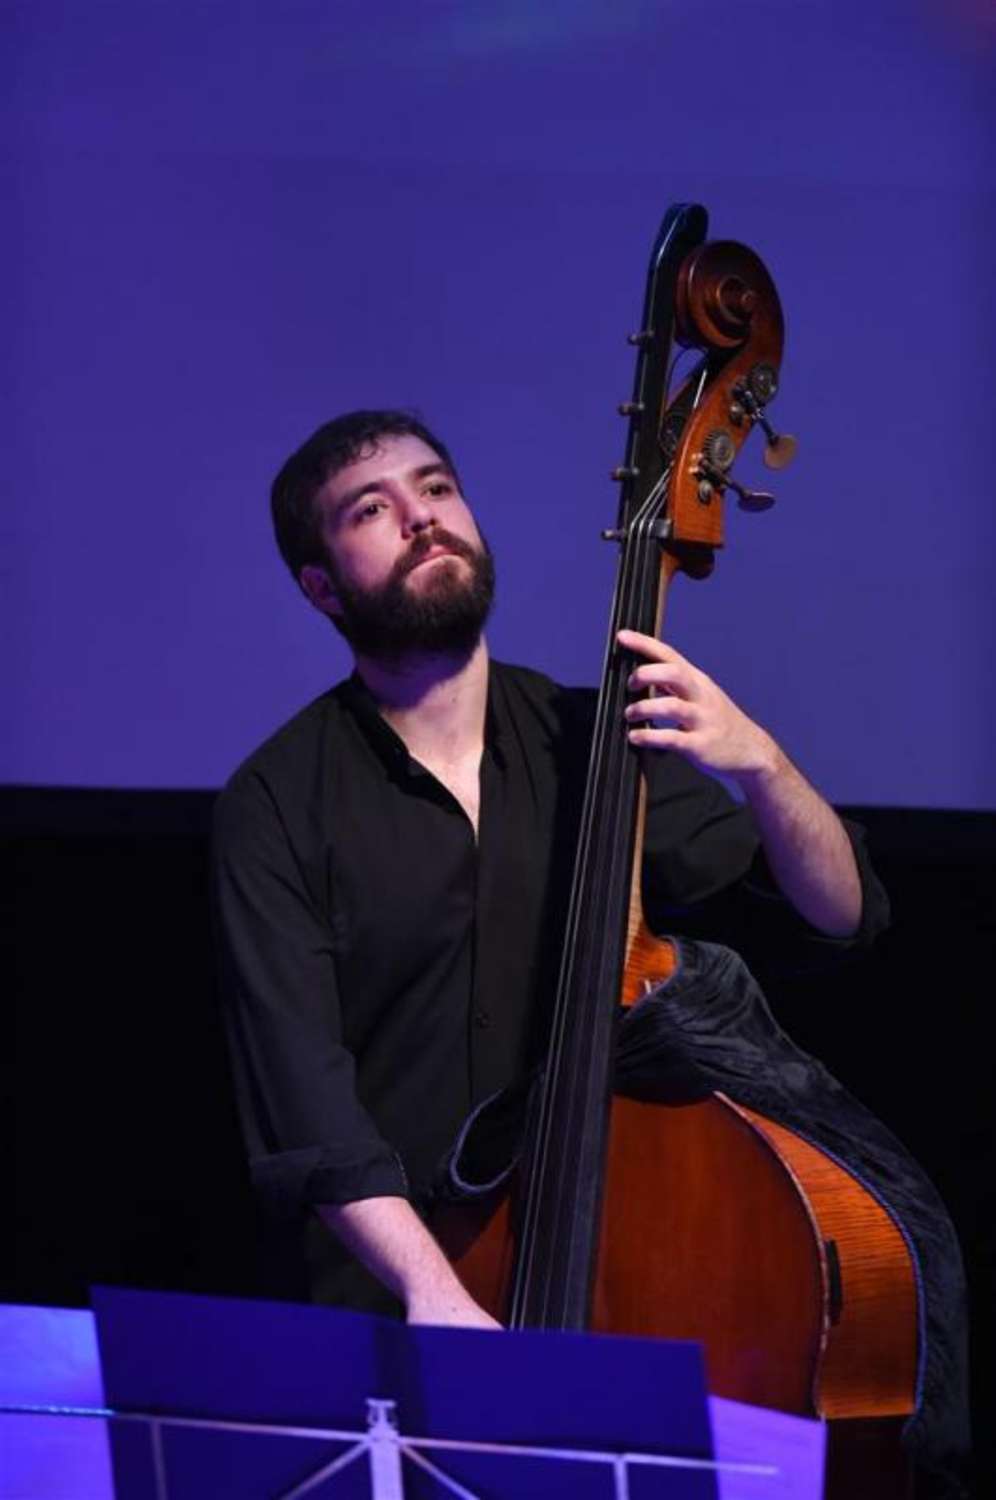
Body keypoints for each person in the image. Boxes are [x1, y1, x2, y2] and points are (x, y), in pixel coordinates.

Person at [212, 406, 885, 1326]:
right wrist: (435, 1296)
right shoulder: (275, 804)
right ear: (322, 588)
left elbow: (835, 916)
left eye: (437, 488)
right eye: (372, 509)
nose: (422, 518)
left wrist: (761, 764)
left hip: (609, 1271)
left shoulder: (590, 745)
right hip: (391, 1310)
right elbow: (306, 1106)